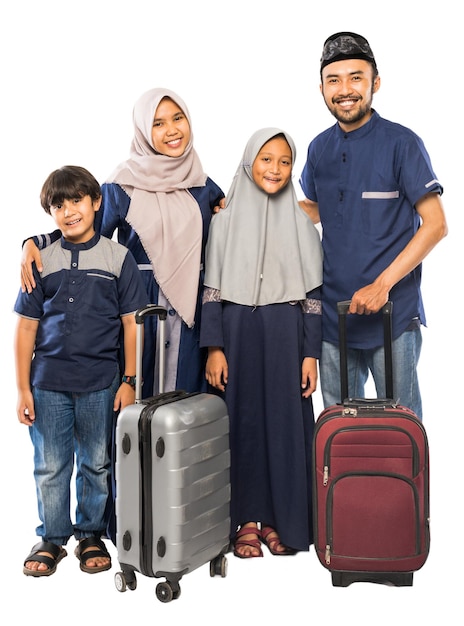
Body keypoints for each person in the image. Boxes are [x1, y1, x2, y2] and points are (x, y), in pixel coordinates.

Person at [20, 87, 225, 398]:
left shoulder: (203, 185)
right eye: (157, 123)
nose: (171, 130)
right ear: (143, 129)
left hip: (192, 313)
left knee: (187, 408)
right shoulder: (120, 186)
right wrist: (36, 241)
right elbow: (85, 234)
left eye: (177, 118)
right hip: (138, 305)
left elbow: (227, 243)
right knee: (136, 402)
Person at [299, 32, 448, 419]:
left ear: (374, 83)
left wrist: (383, 285)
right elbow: (316, 208)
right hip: (334, 319)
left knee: (399, 430)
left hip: (391, 317)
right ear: (321, 88)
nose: (344, 90)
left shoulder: (402, 144)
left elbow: (435, 225)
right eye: (334, 80)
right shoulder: (318, 149)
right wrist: (246, 208)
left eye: (355, 78)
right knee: (339, 432)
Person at [14, 166, 148, 577]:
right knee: (51, 465)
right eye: (59, 204)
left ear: (95, 202)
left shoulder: (117, 257)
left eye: (76, 201)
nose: (69, 211)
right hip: (49, 383)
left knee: (96, 462)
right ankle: (52, 538)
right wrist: (22, 389)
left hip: (101, 382)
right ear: (50, 212)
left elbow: (132, 324)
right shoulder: (41, 257)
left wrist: (129, 381)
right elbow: (26, 328)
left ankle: (90, 534)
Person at [200, 128, 323, 558]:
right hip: (236, 332)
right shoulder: (224, 221)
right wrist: (214, 347)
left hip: (285, 333)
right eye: (266, 159)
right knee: (240, 423)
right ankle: (243, 521)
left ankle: (278, 520)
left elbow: (312, 297)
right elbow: (211, 288)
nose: (275, 169)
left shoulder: (303, 224)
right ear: (249, 162)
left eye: (285, 161)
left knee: (285, 426)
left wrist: (310, 354)